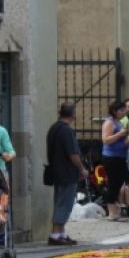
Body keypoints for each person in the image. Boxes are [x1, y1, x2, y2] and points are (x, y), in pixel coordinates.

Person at [46, 102, 89, 245]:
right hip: (67, 172)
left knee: (61, 202)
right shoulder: (66, 131)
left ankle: (61, 232)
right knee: (64, 203)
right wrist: (82, 168)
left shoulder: (53, 128)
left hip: (56, 171)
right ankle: (55, 234)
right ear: (73, 115)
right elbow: (73, 154)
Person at [101, 101, 129, 220]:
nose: (124, 112)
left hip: (120, 156)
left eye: (124, 110)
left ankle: (115, 210)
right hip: (111, 157)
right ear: (114, 111)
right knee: (113, 183)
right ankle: (112, 213)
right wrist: (119, 134)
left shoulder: (120, 122)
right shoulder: (109, 122)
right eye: (121, 110)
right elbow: (106, 140)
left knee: (118, 183)